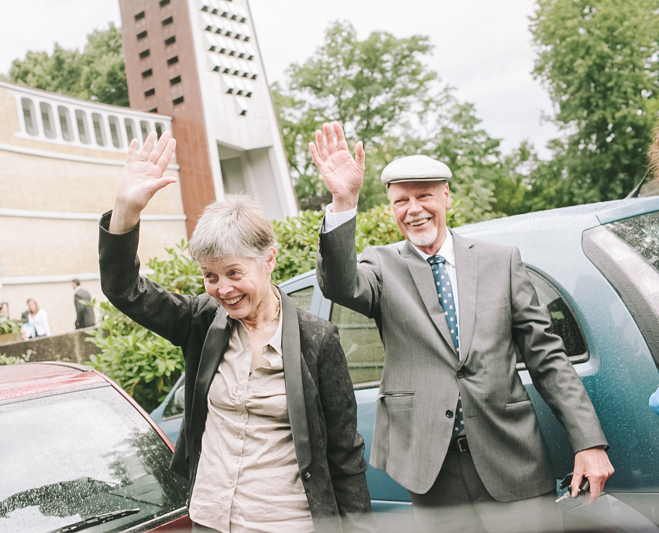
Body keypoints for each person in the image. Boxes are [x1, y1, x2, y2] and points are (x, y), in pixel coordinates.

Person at [310, 122, 614, 533]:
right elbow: (340, 284)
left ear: (446, 196)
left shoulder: (501, 261)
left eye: (424, 196)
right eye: (401, 201)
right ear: (391, 208)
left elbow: (547, 358)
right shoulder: (380, 266)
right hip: (431, 472)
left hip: (513, 460)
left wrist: (589, 443)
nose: (413, 209)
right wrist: (343, 201)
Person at [99, 131, 374, 533]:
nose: (222, 289)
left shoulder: (317, 340)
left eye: (233, 273)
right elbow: (125, 290)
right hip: (211, 519)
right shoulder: (201, 320)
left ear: (269, 259)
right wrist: (125, 210)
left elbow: (345, 457)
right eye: (210, 276)